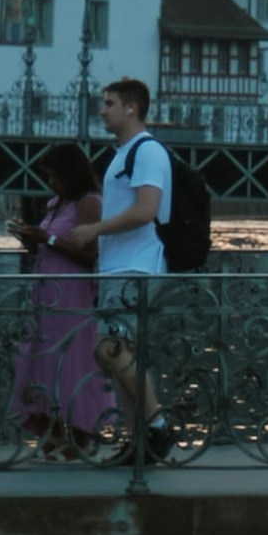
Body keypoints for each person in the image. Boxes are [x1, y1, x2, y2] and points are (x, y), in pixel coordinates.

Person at [84, 77, 175, 468]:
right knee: (119, 355)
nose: (103, 109)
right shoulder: (124, 153)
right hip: (118, 266)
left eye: (109, 103)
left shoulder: (147, 152)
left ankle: (158, 425)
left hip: (137, 265)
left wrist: (95, 229)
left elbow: (146, 209)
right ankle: (139, 440)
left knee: (110, 348)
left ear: (131, 108)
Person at [15, 141, 113, 455]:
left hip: (72, 294)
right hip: (47, 293)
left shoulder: (89, 203)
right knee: (44, 359)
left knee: (74, 360)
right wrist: (33, 240)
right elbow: (49, 244)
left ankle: (82, 433)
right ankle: (53, 429)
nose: (52, 183)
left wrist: (48, 238)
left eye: (56, 176)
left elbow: (89, 253)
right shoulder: (57, 203)